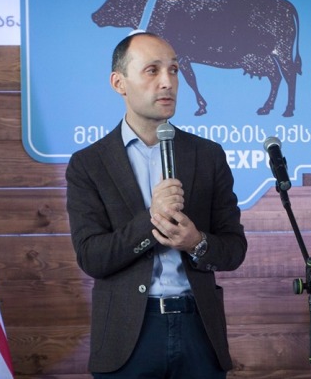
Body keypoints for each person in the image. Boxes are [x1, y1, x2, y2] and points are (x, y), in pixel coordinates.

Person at [66, 32, 247, 378]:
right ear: (119, 83)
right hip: (126, 337)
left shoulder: (208, 155)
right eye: (152, 70)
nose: (168, 82)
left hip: (199, 332)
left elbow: (234, 249)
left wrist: (196, 243)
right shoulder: (89, 164)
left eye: (174, 70)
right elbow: (92, 257)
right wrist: (153, 219)